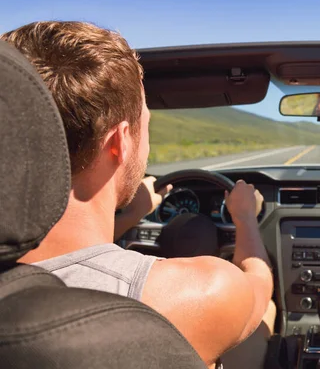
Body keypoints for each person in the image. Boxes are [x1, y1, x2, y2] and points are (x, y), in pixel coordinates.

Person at [3, 21, 274, 369]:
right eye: (147, 123)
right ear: (120, 141)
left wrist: (130, 217)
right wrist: (246, 219)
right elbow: (258, 283)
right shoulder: (203, 292)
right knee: (267, 313)